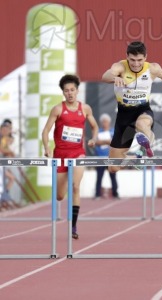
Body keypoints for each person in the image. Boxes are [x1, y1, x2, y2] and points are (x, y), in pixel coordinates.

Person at [102, 41, 162, 173]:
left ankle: (141, 147)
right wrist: (114, 77)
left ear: (145, 57)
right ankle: (136, 155)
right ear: (127, 56)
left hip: (142, 110)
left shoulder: (152, 68)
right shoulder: (120, 67)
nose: (135, 64)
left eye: (139, 60)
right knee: (113, 167)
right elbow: (106, 75)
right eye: (132, 60)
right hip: (123, 116)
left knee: (142, 125)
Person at [41, 74, 98, 239]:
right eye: (67, 91)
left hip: (78, 153)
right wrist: (47, 148)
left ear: (77, 90)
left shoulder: (85, 109)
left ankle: (73, 226)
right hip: (60, 155)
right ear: (63, 93)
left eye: (72, 90)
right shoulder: (58, 109)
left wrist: (94, 139)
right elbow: (45, 131)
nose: (70, 93)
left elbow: (94, 127)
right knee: (60, 196)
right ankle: (63, 202)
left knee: (75, 186)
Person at [94, 113, 119, 199]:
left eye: (106, 121)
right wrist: (107, 141)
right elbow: (96, 142)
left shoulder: (113, 131)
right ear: (101, 122)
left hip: (111, 158)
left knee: (113, 177)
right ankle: (97, 194)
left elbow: (115, 142)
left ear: (109, 122)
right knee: (99, 177)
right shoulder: (98, 131)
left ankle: (115, 194)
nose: (105, 123)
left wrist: (104, 141)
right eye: (103, 122)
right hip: (100, 158)